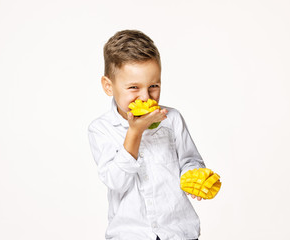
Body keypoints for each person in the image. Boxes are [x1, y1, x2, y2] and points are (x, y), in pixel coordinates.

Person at [88, 29, 205, 240]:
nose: (145, 96)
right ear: (109, 86)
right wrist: (135, 132)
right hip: (130, 234)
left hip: (178, 231)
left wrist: (194, 177)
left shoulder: (172, 119)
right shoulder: (101, 129)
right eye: (134, 87)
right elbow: (116, 181)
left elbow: (190, 160)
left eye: (154, 86)